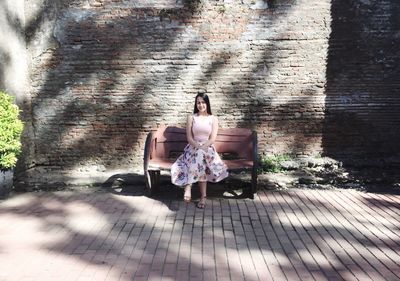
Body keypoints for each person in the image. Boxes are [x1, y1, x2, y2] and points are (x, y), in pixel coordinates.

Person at [171, 93, 229, 209]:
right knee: (199, 159)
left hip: (208, 149)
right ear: (196, 104)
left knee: (200, 156)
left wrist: (203, 147)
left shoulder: (213, 119)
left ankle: (188, 186)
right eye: (198, 102)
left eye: (203, 102)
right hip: (192, 148)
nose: (201, 105)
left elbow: (212, 139)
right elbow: (189, 138)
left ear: (207, 103)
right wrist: (197, 146)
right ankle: (203, 196)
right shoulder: (191, 118)